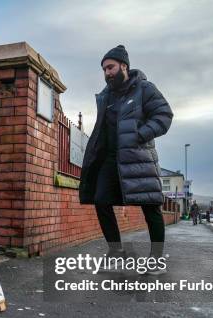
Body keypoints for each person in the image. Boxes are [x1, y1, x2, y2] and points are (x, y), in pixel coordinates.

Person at [79, 45, 174, 273]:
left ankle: (156, 259)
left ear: (124, 66)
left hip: (138, 158)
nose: (107, 73)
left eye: (110, 67)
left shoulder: (144, 89)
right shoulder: (106, 96)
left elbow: (164, 115)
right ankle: (116, 253)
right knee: (101, 200)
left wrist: (140, 135)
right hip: (110, 160)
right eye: (104, 69)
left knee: (150, 206)